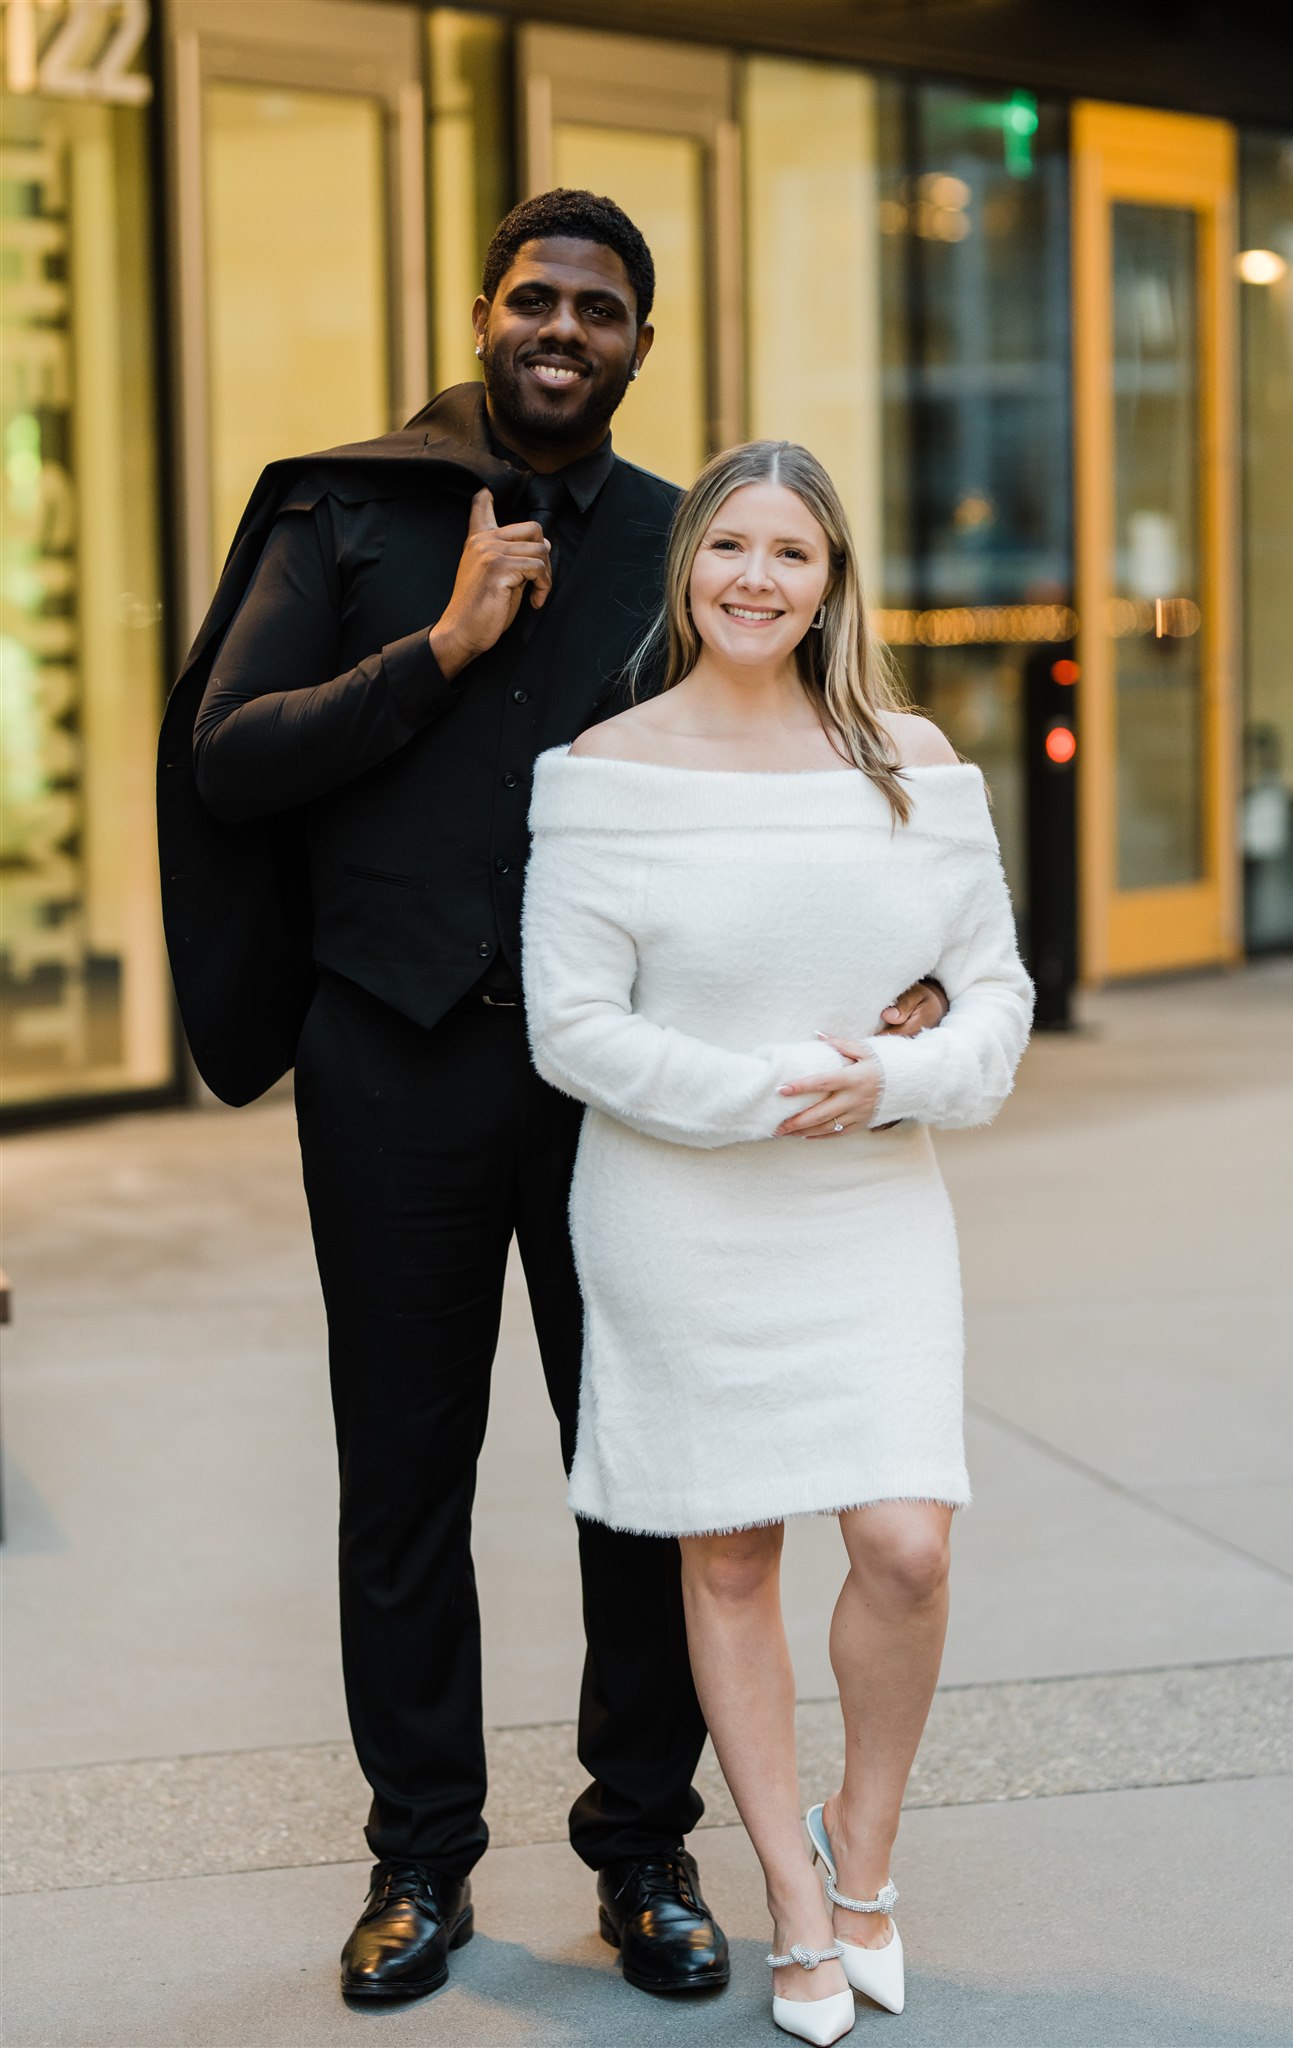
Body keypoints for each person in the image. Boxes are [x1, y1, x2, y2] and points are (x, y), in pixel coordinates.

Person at [157, 191, 948, 2006]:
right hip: (394, 1063)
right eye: (537, 297)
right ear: (487, 313)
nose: (564, 326)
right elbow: (230, 758)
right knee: (406, 1481)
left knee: (653, 1485)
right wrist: (435, 648)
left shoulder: (688, 546)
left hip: (627, 1092)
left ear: (640, 344)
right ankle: (418, 1861)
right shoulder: (343, 506)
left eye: (601, 305)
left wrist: (906, 969)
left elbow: (802, 774)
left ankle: (644, 1849)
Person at [522, 441, 1033, 2044]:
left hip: (867, 1199)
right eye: (729, 546)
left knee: (906, 1542)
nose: (757, 577)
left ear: (832, 582)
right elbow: (573, 1030)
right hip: (680, 1207)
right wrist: (763, 1096)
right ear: (690, 572)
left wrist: (892, 1077)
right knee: (730, 1552)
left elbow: (998, 1004)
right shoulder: (607, 767)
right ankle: (793, 1905)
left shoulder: (910, 760)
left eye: (792, 554)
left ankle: (860, 1853)